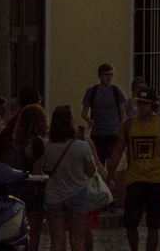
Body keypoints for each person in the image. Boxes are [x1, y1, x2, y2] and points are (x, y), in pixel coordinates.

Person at [105, 85, 160, 251]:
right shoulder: (127, 125)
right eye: (139, 103)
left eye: (145, 103)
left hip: (156, 180)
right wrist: (110, 177)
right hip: (135, 181)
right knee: (130, 224)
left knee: (154, 225)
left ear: (153, 105)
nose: (142, 107)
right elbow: (117, 151)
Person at [36, 105, 101, 251]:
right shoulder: (81, 146)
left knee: (57, 240)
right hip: (77, 194)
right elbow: (91, 172)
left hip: (54, 195)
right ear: (70, 122)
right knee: (78, 240)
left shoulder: (46, 147)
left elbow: (38, 171)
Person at [12, 103, 50, 251]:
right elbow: (37, 174)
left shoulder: (17, 143)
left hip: (18, 192)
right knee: (33, 235)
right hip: (34, 194)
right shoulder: (37, 143)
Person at [81, 64, 128, 163]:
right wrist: (89, 120)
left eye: (111, 75)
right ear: (99, 76)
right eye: (106, 75)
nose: (109, 77)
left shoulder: (116, 91)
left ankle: (110, 178)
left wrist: (124, 128)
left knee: (112, 161)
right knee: (98, 162)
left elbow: (122, 111)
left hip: (113, 132)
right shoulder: (92, 92)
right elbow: (84, 113)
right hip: (97, 133)